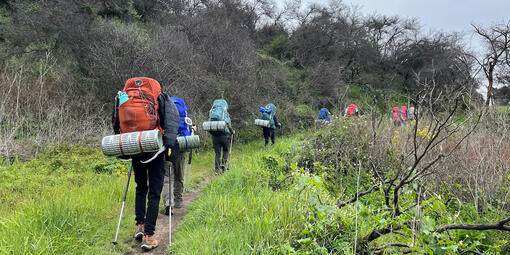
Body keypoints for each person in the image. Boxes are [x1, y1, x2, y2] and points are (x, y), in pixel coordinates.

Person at [112, 78, 179, 251]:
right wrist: (170, 148)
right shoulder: (159, 95)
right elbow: (171, 121)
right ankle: (149, 236)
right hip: (154, 147)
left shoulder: (124, 95)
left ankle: (139, 226)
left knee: (141, 187)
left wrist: (123, 143)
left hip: (134, 145)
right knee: (155, 193)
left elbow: (116, 121)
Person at [163, 97, 195, 215]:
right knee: (179, 175)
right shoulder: (185, 116)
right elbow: (189, 132)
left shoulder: (164, 113)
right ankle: (178, 201)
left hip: (167, 147)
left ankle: (168, 204)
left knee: (167, 177)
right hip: (181, 146)